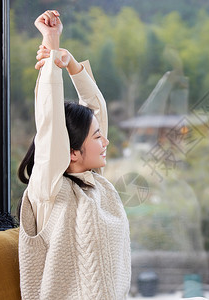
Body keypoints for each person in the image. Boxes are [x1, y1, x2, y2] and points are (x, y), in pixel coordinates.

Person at [17, 10, 131, 299]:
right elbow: (49, 121)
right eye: (96, 137)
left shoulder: (94, 183)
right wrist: (51, 49)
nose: (105, 140)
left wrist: (72, 66)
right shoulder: (50, 190)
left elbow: (96, 108)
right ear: (71, 152)